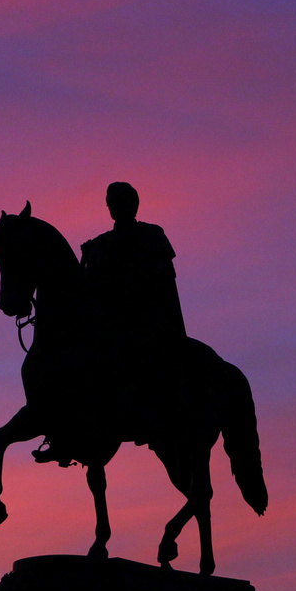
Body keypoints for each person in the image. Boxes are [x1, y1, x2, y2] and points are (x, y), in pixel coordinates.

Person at [81, 182, 186, 441]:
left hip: (146, 317)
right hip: (111, 319)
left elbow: (161, 275)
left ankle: (154, 412)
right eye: (112, 202)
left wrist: (117, 283)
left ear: (134, 204)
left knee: (137, 351)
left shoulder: (152, 234)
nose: (116, 206)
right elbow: (86, 284)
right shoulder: (100, 244)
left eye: (121, 201)